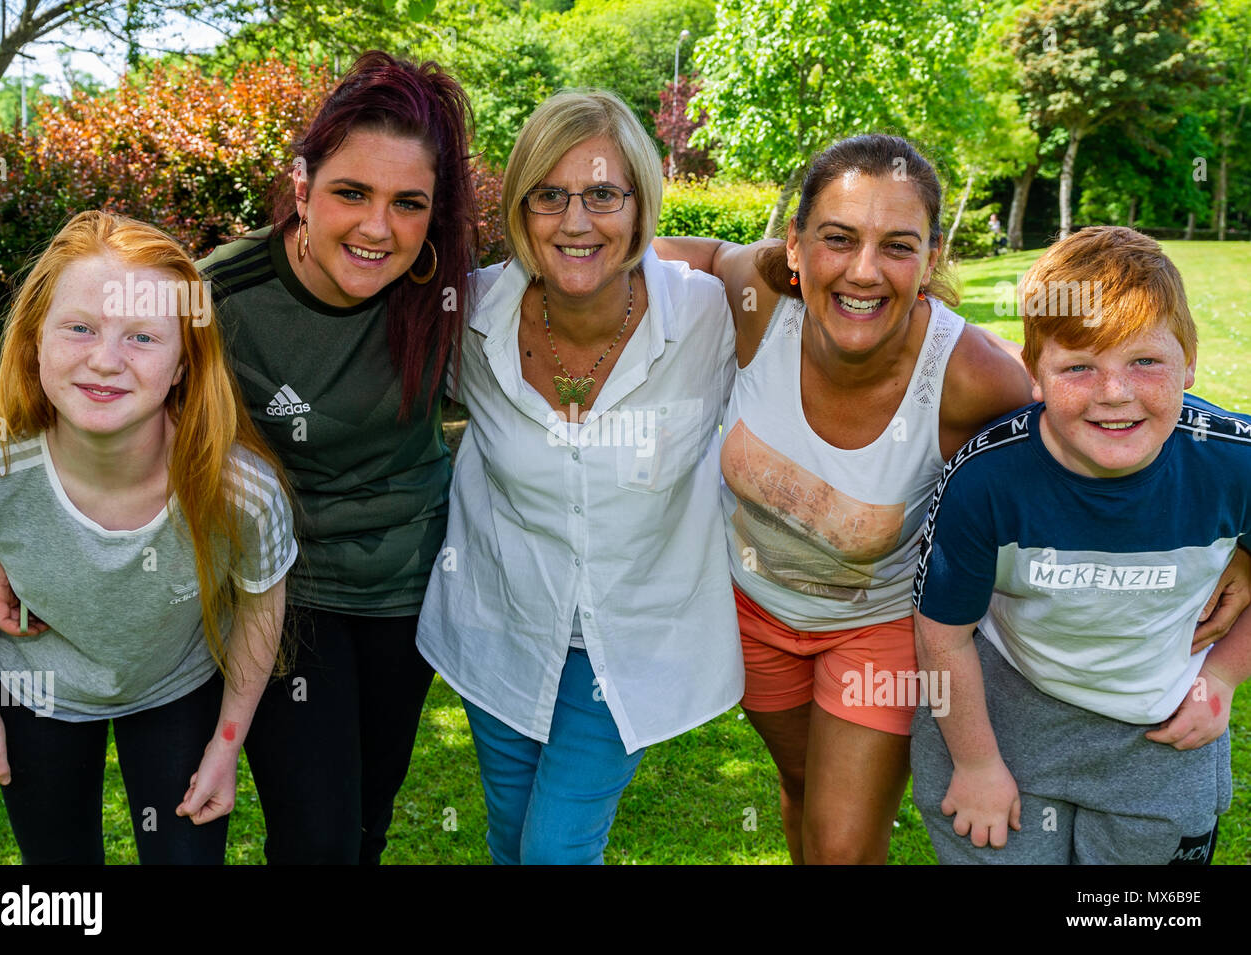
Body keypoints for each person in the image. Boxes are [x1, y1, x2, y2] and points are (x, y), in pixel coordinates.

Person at [653, 134, 1248, 865]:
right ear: (797, 247)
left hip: (880, 625)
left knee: (841, 842)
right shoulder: (757, 303)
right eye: (838, 238)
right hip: (750, 611)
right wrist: (576, 257)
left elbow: (1108, 421)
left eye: (897, 245)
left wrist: (1240, 548)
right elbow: (700, 258)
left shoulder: (977, 379)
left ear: (931, 259)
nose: (863, 270)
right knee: (803, 787)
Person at [0, 52, 478, 864]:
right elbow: (89, 393)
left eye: (409, 203)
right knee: (315, 835)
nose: (377, 227)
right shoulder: (217, 296)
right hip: (280, 591)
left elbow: (592, 269)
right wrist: (16, 542)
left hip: (404, 586)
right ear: (301, 187)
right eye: (351, 192)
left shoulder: (451, 293)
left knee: (365, 826)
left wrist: (739, 264)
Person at [415, 89, 743, 865]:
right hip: (497, 626)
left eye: (603, 194)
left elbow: (834, 315)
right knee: (510, 841)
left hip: (629, 640)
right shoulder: (473, 312)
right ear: (522, 208)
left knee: (557, 849)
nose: (575, 221)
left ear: (640, 203)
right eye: (549, 196)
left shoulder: (707, 316)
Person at [0, 210, 294, 864]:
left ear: (183, 364)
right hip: (37, 687)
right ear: (34, 342)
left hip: (173, 684)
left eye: (141, 336)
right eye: (79, 327)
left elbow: (260, 607)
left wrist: (226, 745)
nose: (105, 361)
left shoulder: (240, 492)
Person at [912, 226, 1251, 864]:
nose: (1114, 394)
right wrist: (977, 763)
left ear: (1191, 361)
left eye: (1146, 361)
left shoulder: (1235, 463)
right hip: (1004, 712)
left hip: (1159, 733)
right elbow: (941, 635)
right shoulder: (984, 481)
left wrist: (1224, 678)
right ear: (1033, 374)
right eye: (1079, 367)